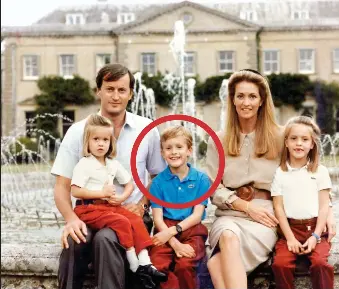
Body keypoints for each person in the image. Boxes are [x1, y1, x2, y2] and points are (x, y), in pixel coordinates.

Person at [205, 69, 336, 289]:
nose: (246, 102)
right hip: (230, 212)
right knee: (227, 236)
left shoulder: (281, 135)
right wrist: (245, 206)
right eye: (240, 96)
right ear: (232, 100)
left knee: (217, 264)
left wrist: (328, 210)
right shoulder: (217, 139)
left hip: (266, 215)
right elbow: (211, 187)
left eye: (252, 96)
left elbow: (308, 173)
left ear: (262, 100)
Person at [51, 63, 166, 289]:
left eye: (122, 90)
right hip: (90, 212)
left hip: (131, 214)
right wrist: (71, 219)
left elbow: (159, 178)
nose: (115, 96)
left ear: (131, 94)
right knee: (74, 241)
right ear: (99, 91)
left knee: (106, 239)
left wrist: (142, 205)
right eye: (109, 89)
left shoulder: (147, 129)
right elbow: (62, 186)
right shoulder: (78, 131)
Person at [71, 113, 167, 284]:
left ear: (111, 142)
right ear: (88, 142)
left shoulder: (112, 164)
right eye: (96, 139)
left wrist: (122, 197)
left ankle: (146, 263)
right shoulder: (84, 164)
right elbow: (75, 191)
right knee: (121, 222)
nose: (101, 143)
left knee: (135, 220)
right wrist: (101, 193)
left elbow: (129, 183)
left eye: (105, 140)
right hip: (88, 208)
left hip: (108, 207)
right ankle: (133, 264)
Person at [271, 116, 334, 289]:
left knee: (320, 264)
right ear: (286, 143)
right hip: (290, 230)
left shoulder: (320, 172)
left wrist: (315, 236)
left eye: (305, 139)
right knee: (280, 265)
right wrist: (290, 238)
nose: (299, 143)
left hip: (315, 229)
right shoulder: (280, 173)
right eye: (294, 138)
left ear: (312, 144)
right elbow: (278, 207)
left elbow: (323, 207)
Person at [148, 125, 210, 289]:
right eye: (168, 148)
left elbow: (197, 215)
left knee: (185, 265)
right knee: (157, 265)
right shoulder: (157, 183)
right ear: (162, 153)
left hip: (192, 229)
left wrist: (172, 232)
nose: (174, 152)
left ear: (189, 150)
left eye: (179, 147)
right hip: (164, 228)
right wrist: (174, 243)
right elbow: (157, 219)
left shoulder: (201, 179)